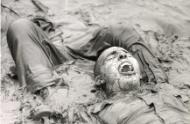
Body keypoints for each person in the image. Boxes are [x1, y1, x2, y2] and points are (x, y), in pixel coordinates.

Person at [6, 18, 167, 98]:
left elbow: (123, 33)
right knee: (19, 26)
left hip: (86, 49)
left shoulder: (101, 40)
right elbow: (20, 29)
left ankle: (159, 83)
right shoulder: (34, 43)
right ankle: (48, 94)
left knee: (122, 29)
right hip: (55, 59)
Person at [76, 47, 190, 124]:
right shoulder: (95, 112)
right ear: (100, 79)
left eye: (128, 54)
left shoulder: (164, 88)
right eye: (111, 57)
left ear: (140, 74)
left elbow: (130, 35)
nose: (122, 55)